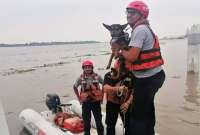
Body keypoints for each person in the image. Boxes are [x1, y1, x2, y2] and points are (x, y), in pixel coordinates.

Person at [112, 1, 166, 135]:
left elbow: (132, 57)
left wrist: (120, 52)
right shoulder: (144, 28)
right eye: (127, 12)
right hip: (154, 76)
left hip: (147, 80)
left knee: (137, 115)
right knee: (147, 109)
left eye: (132, 12)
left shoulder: (140, 30)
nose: (128, 15)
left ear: (142, 15)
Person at [73, 60, 104, 135]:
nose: (87, 69)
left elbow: (104, 84)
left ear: (92, 68)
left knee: (98, 122)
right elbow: (75, 87)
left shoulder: (98, 76)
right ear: (83, 68)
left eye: (89, 67)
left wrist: (102, 97)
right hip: (86, 103)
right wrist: (79, 98)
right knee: (86, 122)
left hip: (96, 103)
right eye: (85, 67)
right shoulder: (80, 78)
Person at [103, 60, 133, 135]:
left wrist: (128, 103)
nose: (121, 66)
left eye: (123, 64)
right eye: (119, 63)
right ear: (115, 65)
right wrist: (117, 89)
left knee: (129, 126)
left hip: (125, 104)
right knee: (110, 125)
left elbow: (134, 91)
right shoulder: (109, 75)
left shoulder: (130, 75)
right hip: (112, 104)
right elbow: (105, 88)